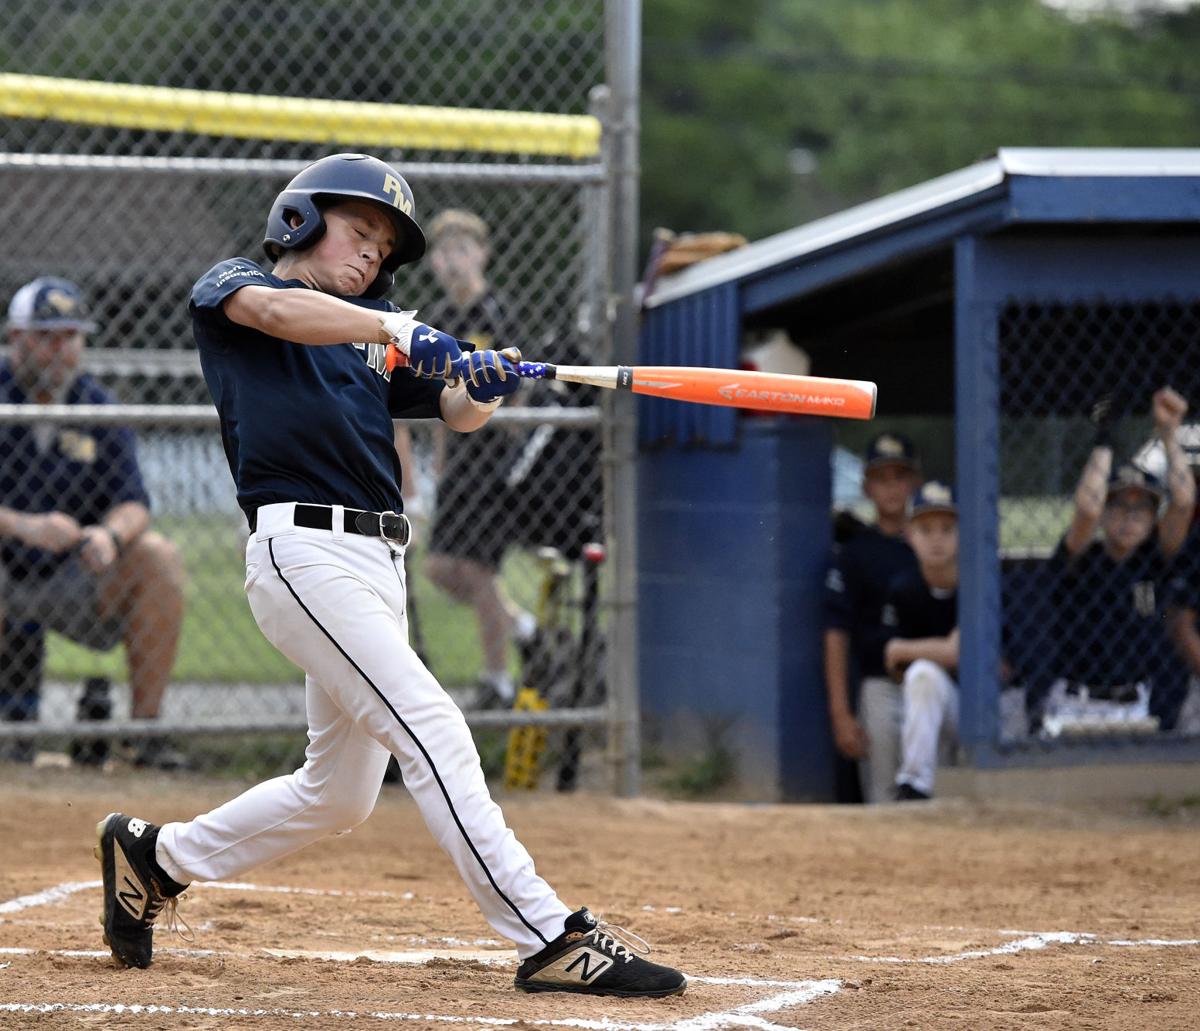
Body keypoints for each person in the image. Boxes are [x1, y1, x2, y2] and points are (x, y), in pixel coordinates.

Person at [93, 153, 685, 999]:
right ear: (300, 220)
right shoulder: (239, 288)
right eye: (360, 230)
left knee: (339, 794)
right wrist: (400, 329)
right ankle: (548, 933)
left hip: (379, 562)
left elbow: (455, 412)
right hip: (304, 553)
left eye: (384, 246)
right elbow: (278, 311)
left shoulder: (370, 341)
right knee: (435, 728)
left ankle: (156, 857)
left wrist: (480, 383)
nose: (373, 251)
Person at [0, 277, 185, 767]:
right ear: (16, 338)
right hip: (4, 566)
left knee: (157, 556)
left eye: (71, 336)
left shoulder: (97, 406)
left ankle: (143, 736)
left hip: (72, 575)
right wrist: (23, 526)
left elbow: (134, 503)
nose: (61, 349)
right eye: (47, 336)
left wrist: (109, 534)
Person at [407, 210, 536, 708]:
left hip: (494, 458)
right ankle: (522, 626)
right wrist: (439, 462)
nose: (452, 261)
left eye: (462, 249)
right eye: (443, 253)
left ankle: (497, 679)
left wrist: (514, 441)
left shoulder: (497, 313)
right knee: (440, 567)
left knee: (479, 571)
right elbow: (440, 396)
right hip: (460, 457)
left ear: (482, 254)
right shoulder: (441, 321)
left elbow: (520, 390)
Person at [1038, 387, 1194, 737]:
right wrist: (1104, 438)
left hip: (1133, 705)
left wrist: (1169, 435)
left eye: (1142, 508)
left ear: (1152, 518)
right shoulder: (1082, 556)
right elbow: (1087, 508)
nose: (1130, 516)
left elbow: (1183, 502)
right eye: (1119, 506)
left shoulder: (1152, 559)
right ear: (1105, 514)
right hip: (1073, 703)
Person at [823, 432, 921, 804]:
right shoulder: (855, 553)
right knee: (883, 798)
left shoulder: (931, 544)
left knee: (934, 793)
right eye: (881, 478)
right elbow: (836, 632)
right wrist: (840, 714)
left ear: (915, 483)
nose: (891, 487)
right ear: (866, 487)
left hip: (932, 680)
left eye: (900, 477)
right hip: (881, 685)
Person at [878, 480, 961, 801]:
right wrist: (927, 653)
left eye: (947, 529)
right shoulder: (904, 588)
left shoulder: (978, 583)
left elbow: (955, 653)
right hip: (943, 701)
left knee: (923, 670)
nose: (936, 539)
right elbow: (890, 660)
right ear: (909, 535)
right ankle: (914, 784)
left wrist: (906, 649)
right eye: (925, 530)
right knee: (923, 675)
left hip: (992, 709)